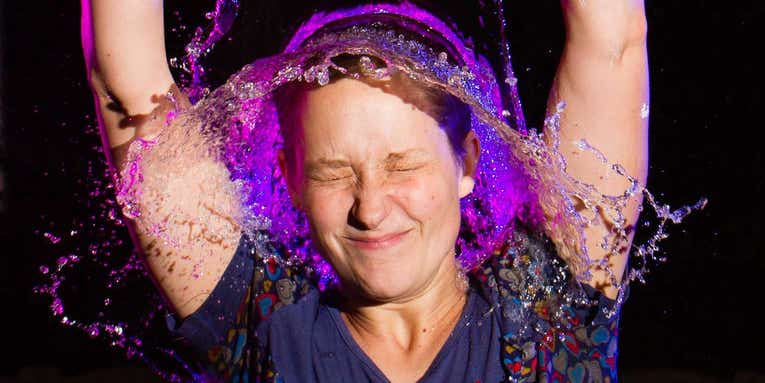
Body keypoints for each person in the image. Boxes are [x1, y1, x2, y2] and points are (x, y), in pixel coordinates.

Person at [82, 0, 648, 381]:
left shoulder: (551, 309)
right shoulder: (259, 321)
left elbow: (612, 41)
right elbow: (129, 90)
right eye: (332, 173)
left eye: (402, 165)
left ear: (466, 162)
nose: (371, 208)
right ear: (291, 180)